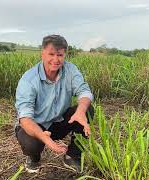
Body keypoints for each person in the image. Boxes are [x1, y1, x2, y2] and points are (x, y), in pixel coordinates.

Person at [14, 34, 94, 173]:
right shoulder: (29, 80)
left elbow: (84, 91)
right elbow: (25, 119)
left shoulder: (70, 70)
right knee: (31, 144)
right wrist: (46, 140)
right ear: (43, 53)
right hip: (36, 125)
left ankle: (72, 156)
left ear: (65, 55)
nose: (56, 60)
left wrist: (80, 112)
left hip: (59, 121)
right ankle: (34, 157)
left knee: (87, 109)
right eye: (51, 54)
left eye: (60, 55)